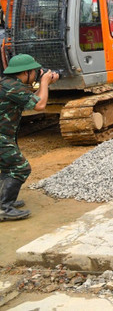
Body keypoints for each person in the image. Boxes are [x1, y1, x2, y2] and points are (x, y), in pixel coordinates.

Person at [1, 54, 58, 221]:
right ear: (26, 72)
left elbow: (32, 99)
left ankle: (3, 201)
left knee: (7, 167)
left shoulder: (9, 84)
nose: (36, 74)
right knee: (21, 168)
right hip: (2, 137)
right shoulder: (13, 88)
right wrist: (45, 83)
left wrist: (44, 84)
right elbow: (40, 105)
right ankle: (4, 209)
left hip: (5, 135)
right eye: (34, 72)